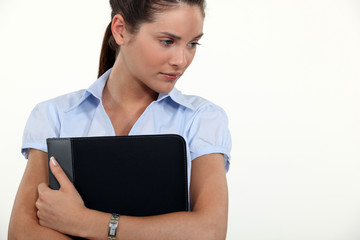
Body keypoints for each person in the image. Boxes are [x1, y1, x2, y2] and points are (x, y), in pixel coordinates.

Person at [8, 0, 231, 239]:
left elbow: (210, 231)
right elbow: (22, 232)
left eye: (192, 44)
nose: (181, 60)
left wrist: (84, 221)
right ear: (121, 30)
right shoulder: (54, 116)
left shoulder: (202, 118)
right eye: (167, 41)